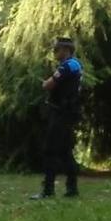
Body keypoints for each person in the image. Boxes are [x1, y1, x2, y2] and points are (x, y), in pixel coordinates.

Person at [31, 37, 83, 200]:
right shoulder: (74, 65)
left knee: (51, 150)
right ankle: (72, 188)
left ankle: (48, 189)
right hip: (67, 112)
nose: (54, 52)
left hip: (61, 113)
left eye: (57, 50)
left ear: (66, 50)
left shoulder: (67, 66)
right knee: (65, 150)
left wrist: (46, 83)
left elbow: (49, 85)